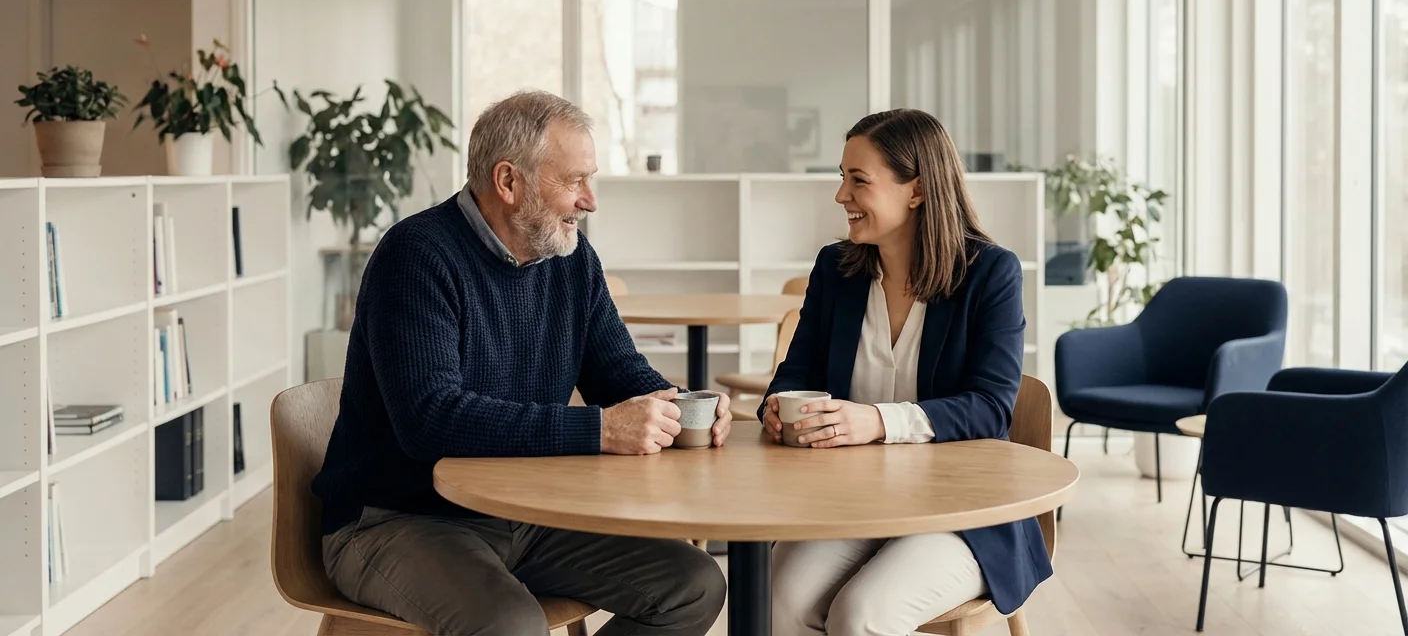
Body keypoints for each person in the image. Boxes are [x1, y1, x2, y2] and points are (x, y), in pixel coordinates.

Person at [312, 89, 731, 636]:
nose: (590, 200)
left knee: (692, 585)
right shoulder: (415, 255)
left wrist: (684, 406)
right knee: (509, 624)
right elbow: (430, 420)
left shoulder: (570, 258)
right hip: (395, 519)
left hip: (526, 512)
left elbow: (619, 373)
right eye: (574, 180)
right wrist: (601, 428)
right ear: (509, 182)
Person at [757, 109, 1051, 636]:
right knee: (778, 600)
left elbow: (990, 406)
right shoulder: (836, 269)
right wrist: (776, 406)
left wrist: (876, 421)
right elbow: (796, 369)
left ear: (915, 190)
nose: (841, 195)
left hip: (962, 514)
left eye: (858, 180)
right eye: (841, 177)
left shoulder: (990, 274)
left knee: (862, 612)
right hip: (852, 502)